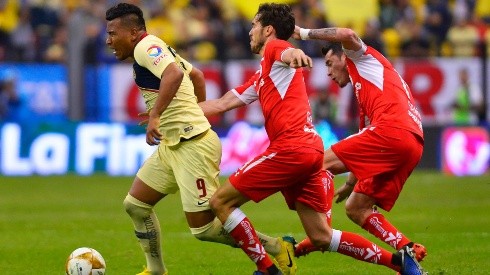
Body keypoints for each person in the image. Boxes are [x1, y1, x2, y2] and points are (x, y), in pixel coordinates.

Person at [200, 3, 425, 275]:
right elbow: (222, 103)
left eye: (254, 25)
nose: (250, 31)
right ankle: (400, 261)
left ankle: (268, 268)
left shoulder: (275, 49)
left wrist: (298, 50)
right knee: (324, 234)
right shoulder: (263, 75)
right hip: (324, 148)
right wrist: (173, 114)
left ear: (268, 29)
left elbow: (287, 50)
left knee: (220, 202)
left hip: (292, 148)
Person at [104, 3, 296, 275]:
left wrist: (158, 115)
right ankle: (155, 270)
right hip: (173, 145)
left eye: (113, 33)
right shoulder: (153, 48)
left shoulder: (145, 48)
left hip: (192, 146)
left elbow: (174, 74)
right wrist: (186, 113)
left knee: (204, 229)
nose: (108, 40)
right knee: (135, 206)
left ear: (133, 33)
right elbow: (196, 75)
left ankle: (276, 247)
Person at [292, 23, 428, 272]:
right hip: (412, 142)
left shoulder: (360, 57)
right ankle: (409, 251)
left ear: (344, 56)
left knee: (316, 162)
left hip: (392, 130)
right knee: (357, 207)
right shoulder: (365, 87)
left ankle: (320, 234)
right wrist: (350, 183)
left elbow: (346, 34)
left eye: (329, 63)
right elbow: (365, 144)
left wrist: (302, 34)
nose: (329, 73)